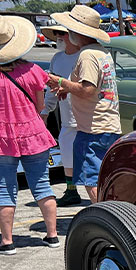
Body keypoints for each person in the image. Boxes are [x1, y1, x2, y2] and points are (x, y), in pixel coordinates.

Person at [47, 5, 120, 204]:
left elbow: (88, 89)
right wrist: (68, 88)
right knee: (103, 177)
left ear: (77, 33)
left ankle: (105, 220)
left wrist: (61, 82)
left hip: (93, 128)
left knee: (91, 180)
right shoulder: (100, 52)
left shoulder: (86, 55)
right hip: (106, 124)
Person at [0, 16, 60, 255]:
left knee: (5, 190)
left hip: (3, 139)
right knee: (43, 186)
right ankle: (52, 236)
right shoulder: (34, 70)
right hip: (34, 134)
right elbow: (39, 105)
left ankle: (7, 242)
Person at [41, 24, 81, 206]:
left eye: (61, 34)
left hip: (88, 116)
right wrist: (45, 110)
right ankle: (71, 190)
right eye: (56, 34)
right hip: (67, 116)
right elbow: (51, 89)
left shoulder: (84, 56)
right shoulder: (57, 58)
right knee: (66, 152)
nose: (58, 37)